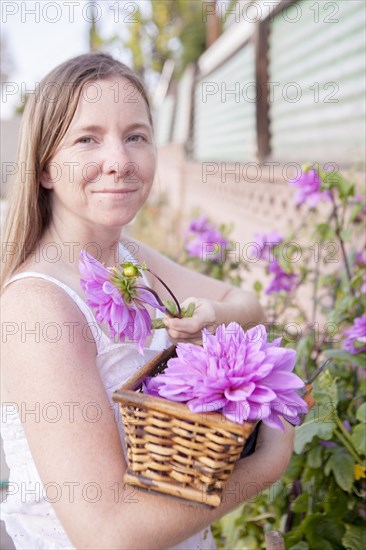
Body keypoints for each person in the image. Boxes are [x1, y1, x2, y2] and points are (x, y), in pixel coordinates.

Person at [0, 52, 294, 550]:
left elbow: (248, 305)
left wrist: (214, 315)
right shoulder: (41, 306)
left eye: (135, 135)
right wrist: (265, 466)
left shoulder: (129, 259)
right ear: (46, 167)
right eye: (87, 139)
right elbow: (107, 532)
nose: (120, 160)